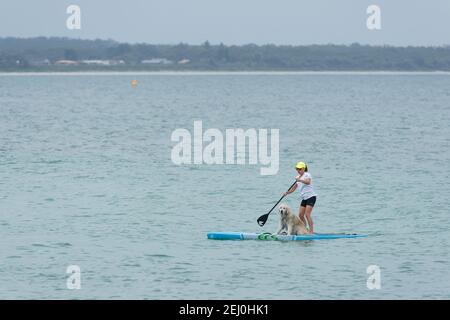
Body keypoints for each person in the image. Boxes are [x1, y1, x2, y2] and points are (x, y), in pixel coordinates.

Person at [283, 162, 317, 234]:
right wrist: (287, 193)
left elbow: (308, 182)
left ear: (304, 169)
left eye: (300, 169)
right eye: (297, 169)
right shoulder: (297, 177)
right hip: (304, 199)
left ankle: (311, 231)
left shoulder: (307, 175)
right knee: (300, 215)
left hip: (311, 197)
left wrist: (300, 180)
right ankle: (305, 229)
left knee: (307, 214)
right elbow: (293, 188)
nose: (298, 170)